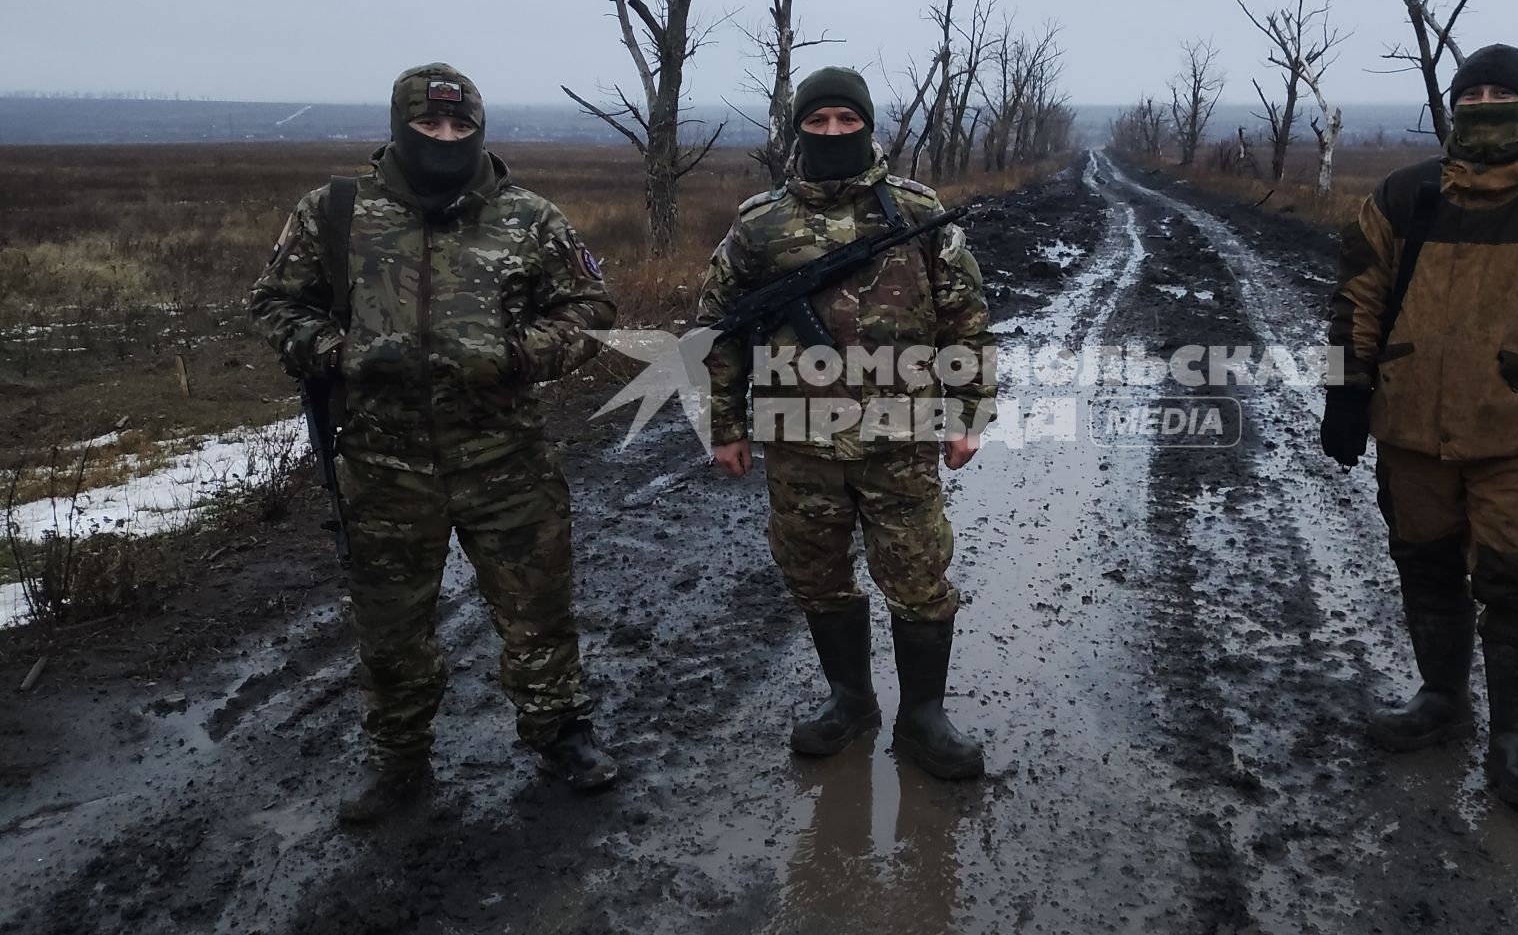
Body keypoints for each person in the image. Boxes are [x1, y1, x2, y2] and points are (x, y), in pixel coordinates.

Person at [249, 63, 620, 824]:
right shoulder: (336, 212)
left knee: (537, 611)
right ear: (399, 127)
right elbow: (276, 304)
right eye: (429, 126)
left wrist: (521, 353)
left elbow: (592, 308)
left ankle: (560, 734)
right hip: (383, 467)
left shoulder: (528, 216)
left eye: (459, 126)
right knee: (390, 629)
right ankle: (401, 761)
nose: (445, 138)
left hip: (506, 458)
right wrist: (339, 353)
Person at [1320, 44, 1518, 811]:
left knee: (1517, 581)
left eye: (1503, 92)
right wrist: (1343, 396)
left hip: (1516, 436)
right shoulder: (1403, 196)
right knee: (1424, 565)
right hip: (1409, 431)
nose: (1486, 104)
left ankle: (1515, 739)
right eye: (1474, 92)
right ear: (1453, 104)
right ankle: (1441, 697)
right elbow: (1352, 304)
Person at [694, 66, 997, 780]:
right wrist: (726, 425)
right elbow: (719, 329)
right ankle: (850, 699)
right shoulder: (759, 223)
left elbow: (967, 321)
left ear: (867, 125)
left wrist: (969, 414)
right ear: (800, 127)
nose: (833, 132)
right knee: (815, 573)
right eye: (819, 121)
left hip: (901, 434)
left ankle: (923, 717)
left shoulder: (917, 211)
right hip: (798, 440)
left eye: (846, 120)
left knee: (919, 573)